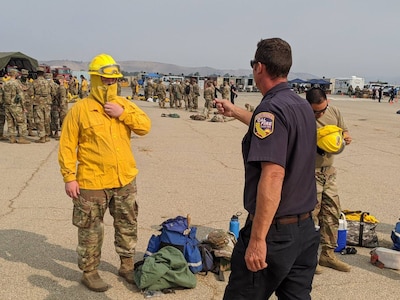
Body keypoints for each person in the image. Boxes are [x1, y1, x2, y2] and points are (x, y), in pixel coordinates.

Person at [216, 38, 319, 299]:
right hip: (305, 233)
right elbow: (274, 130)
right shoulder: (302, 107)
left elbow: (273, 174)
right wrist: (236, 111)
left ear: (259, 67)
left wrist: (258, 239)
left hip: (274, 234)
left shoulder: (270, 109)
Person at [58, 53, 151, 292]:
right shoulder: (80, 110)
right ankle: (89, 272)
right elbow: (67, 144)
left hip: (124, 179)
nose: (110, 85)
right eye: (106, 80)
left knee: (127, 224)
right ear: (95, 80)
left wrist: (123, 114)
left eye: (114, 81)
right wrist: (69, 177)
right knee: (90, 229)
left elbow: (145, 127)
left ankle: (127, 265)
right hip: (92, 182)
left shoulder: (124, 105)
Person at [305, 87, 352, 273]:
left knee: (332, 212)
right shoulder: (301, 115)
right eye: (315, 111)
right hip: (309, 172)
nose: (319, 114)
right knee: (310, 215)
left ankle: (327, 255)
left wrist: (346, 138)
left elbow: (345, 132)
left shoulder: (335, 112)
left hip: (329, 172)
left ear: (327, 102)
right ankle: (307, 257)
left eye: (322, 110)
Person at [2, 69, 30, 144]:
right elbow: (21, 96)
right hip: (16, 105)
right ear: (15, 74)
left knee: (10, 122)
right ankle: (21, 138)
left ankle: (12, 138)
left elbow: (2, 95)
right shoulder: (17, 84)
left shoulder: (5, 83)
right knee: (21, 122)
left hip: (7, 105)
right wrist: (24, 107)